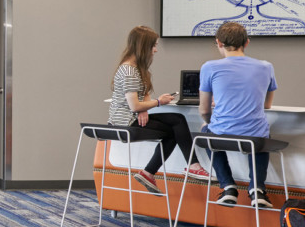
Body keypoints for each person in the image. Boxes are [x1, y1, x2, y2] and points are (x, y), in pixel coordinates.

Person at [107, 25, 210, 194]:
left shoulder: (137, 69)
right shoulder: (129, 71)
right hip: (125, 122)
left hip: (132, 117)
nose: (155, 50)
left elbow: (143, 96)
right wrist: (158, 102)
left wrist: (145, 108)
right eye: (153, 46)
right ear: (143, 46)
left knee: (176, 124)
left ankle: (153, 172)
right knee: (175, 126)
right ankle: (190, 165)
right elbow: (134, 105)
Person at [199, 21, 278, 209]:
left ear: (218, 43)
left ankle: (228, 187)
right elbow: (266, 104)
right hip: (255, 139)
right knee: (261, 135)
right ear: (247, 42)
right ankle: (257, 189)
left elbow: (203, 110)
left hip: (221, 138)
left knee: (205, 131)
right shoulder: (266, 67)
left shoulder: (209, 67)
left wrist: (212, 120)